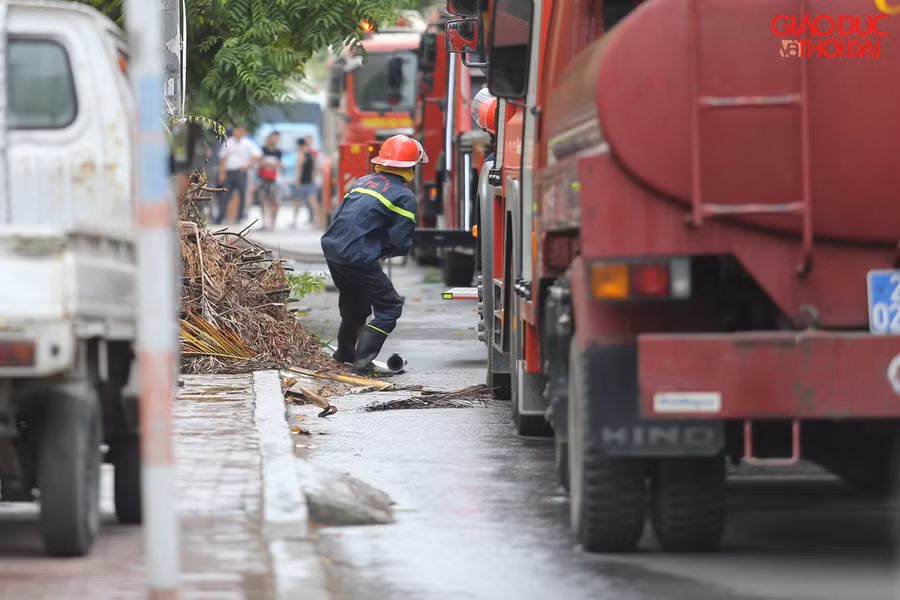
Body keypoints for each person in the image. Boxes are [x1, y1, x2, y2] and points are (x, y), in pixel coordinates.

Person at [320, 134, 428, 373]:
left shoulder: (362, 182)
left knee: (355, 305)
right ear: (411, 167)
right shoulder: (404, 196)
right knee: (390, 307)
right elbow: (401, 241)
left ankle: (344, 354)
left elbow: (340, 218)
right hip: (358, 256)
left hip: (333, 248)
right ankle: (361, 363)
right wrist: (383, 251)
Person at [216, 125, 262, 224]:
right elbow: (223, 158)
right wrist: (222, 173)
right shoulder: (229, 142)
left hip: (241, 172)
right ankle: (221, 216)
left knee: (242, 194)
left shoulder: (247, 143)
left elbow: (258, 154)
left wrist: (247, 165)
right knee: (225, 194)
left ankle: (240, 216)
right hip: (230, 172)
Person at [256, 131, 282, 230]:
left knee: (275, 200)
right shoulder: (263, 150)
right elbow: (261, 164)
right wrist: (271, 164)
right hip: (263, 178)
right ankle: (264, 221)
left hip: (274, 179)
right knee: (263, 200)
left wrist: (267, 164)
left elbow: (278, 165)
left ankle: (273, 222)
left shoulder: (278, 152)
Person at [294, 137, 318, 228]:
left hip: (303, 181)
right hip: (310, 181)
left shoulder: (301, 154)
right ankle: (316, 220)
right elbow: (315, 168)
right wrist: (314, 178)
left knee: (297, 201)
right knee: (313, 201)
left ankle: (295, 220)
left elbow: (299, 168)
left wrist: (297, 180)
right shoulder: (311, 154)